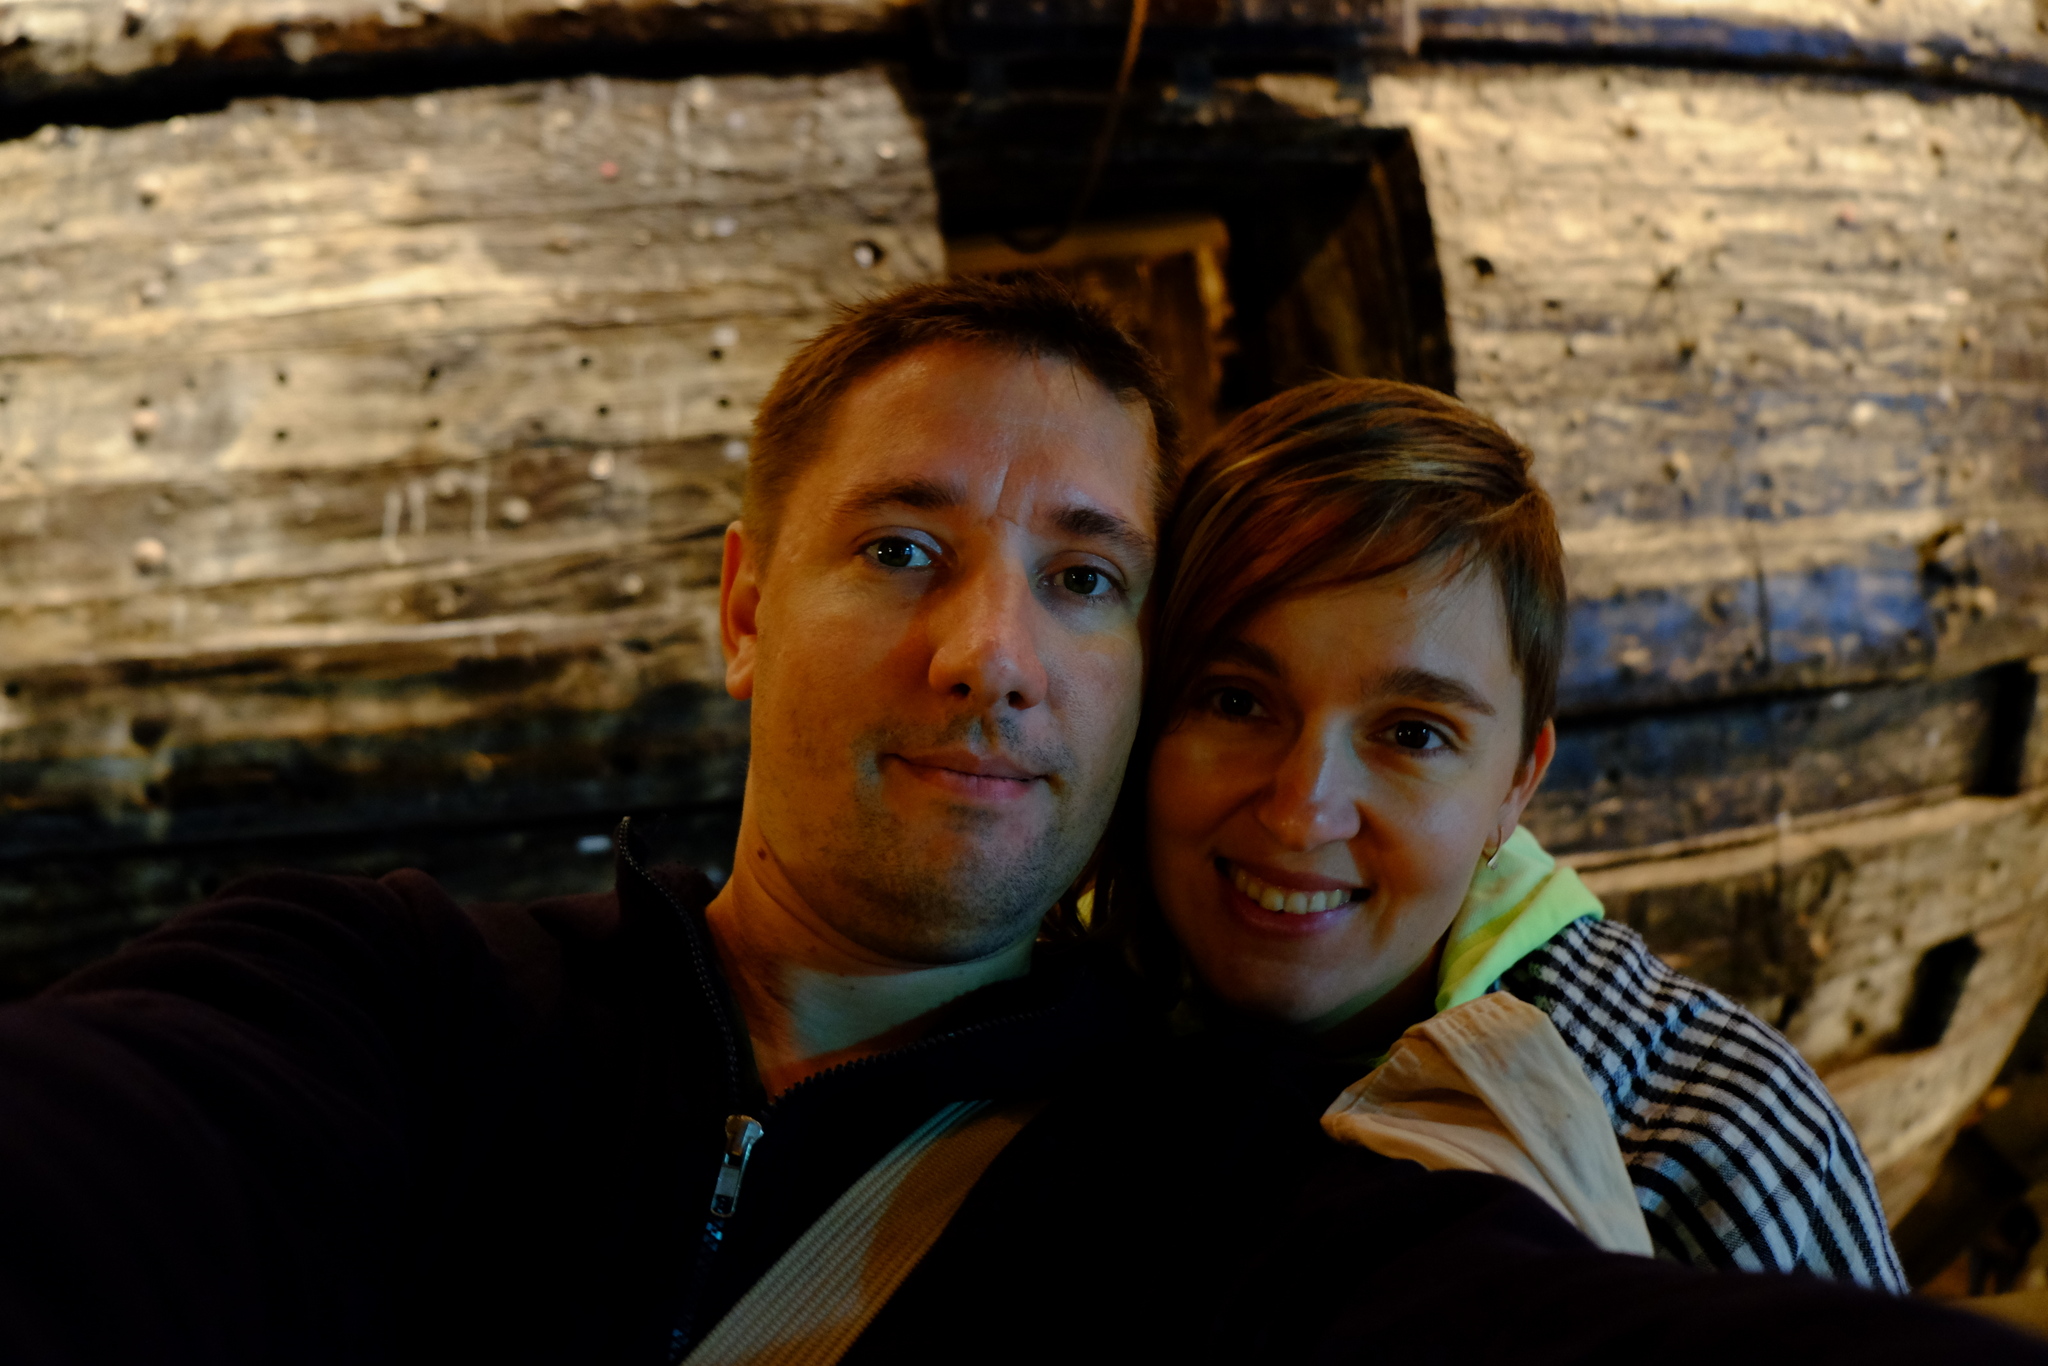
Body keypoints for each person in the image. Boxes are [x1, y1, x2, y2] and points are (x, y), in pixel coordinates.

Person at [0, 278, 2033, 1366]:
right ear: (740, 608)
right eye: (902, 545)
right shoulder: (386, 997)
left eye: (1081, 577)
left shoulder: (1228, 1174)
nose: (990, 654)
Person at [1093, 375, 1904, 1286]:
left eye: (1412, 735)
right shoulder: (1049, 1016)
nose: (1301, 810)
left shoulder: (1708, 1149)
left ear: (1517, 784)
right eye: (1236, 701)